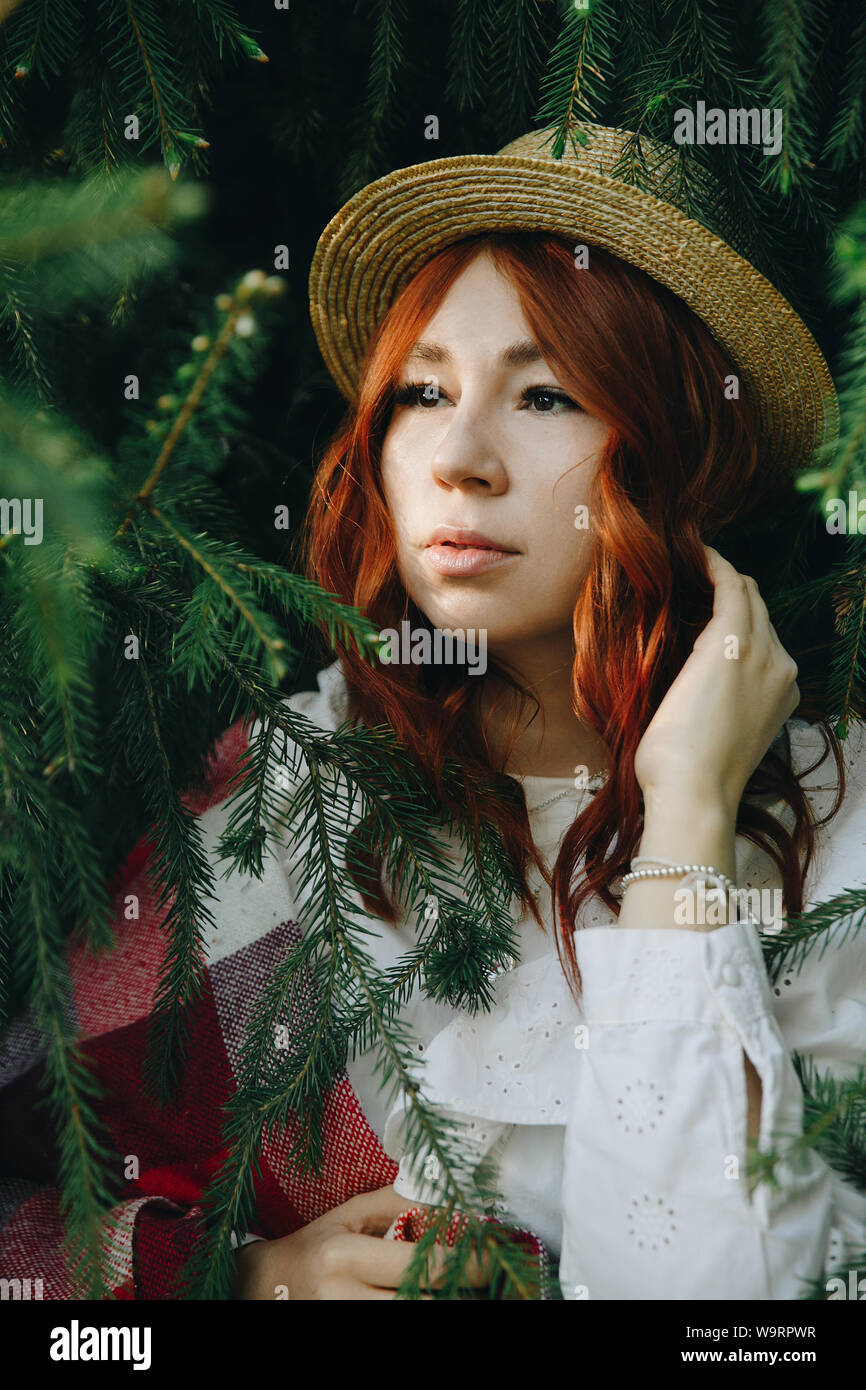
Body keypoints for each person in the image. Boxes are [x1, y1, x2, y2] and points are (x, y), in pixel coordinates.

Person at [2, 122, 865, 1301]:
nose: (458, 455)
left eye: (546, 392)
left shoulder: (838, 823)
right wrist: (248, 1282)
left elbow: (715, 1307)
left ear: (680, 452)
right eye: (422, 392)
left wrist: (688, 816)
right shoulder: (281, 784)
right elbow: (29, 1204)